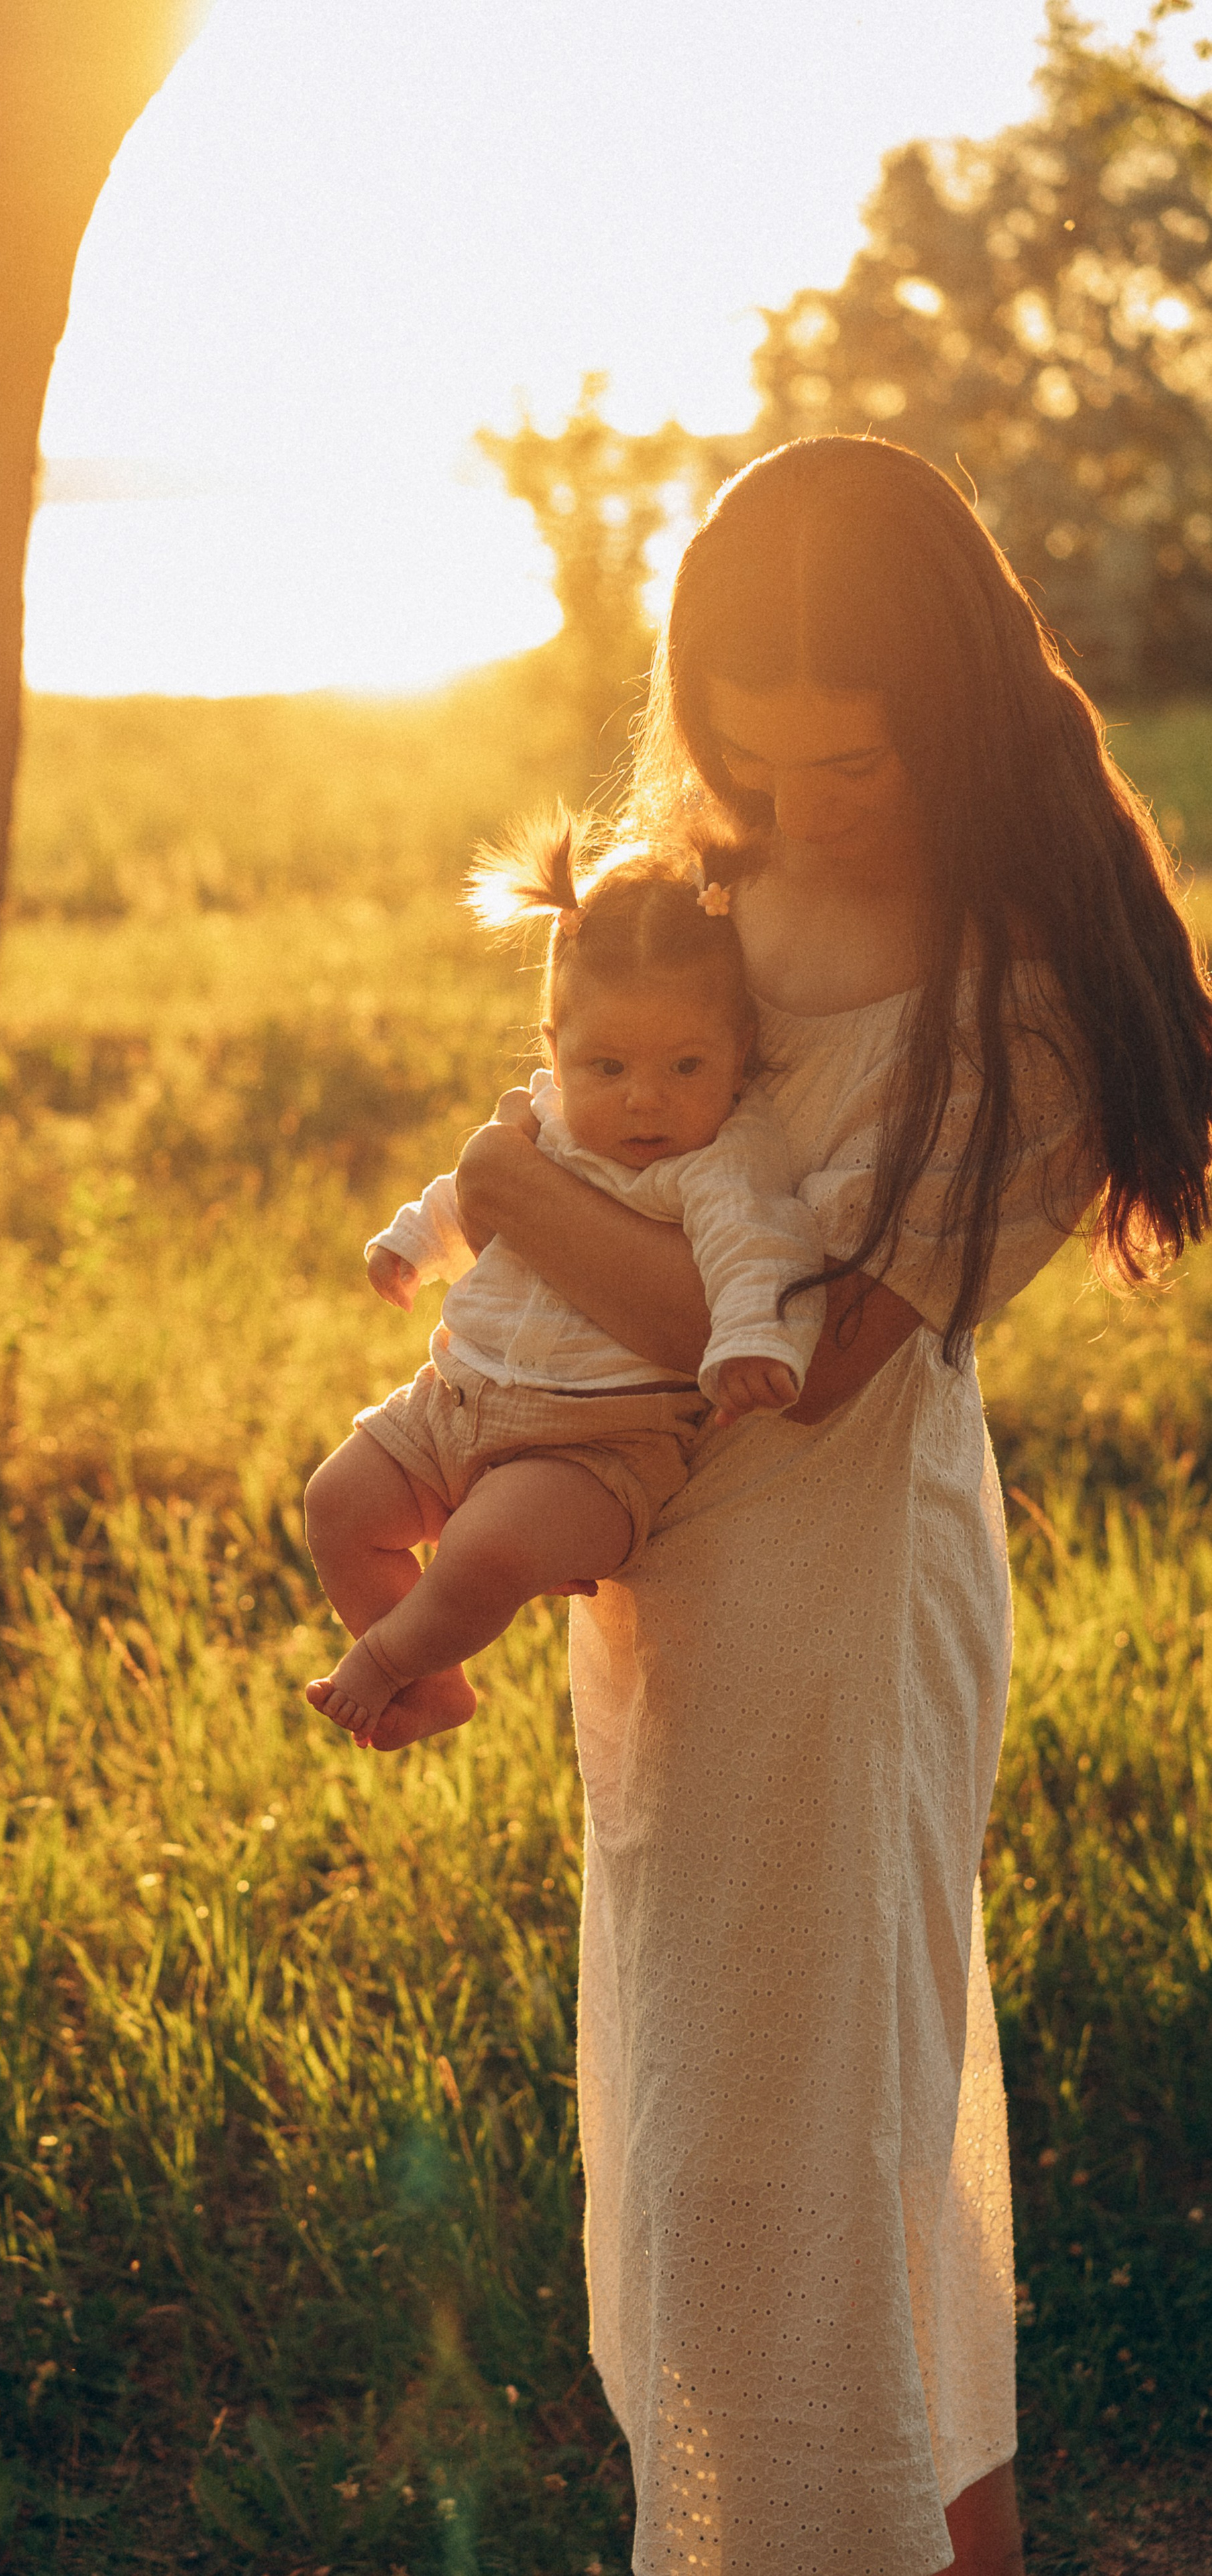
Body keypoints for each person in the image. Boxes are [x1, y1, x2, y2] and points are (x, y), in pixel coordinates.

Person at [447, 437, 1212, 2576]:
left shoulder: (1025, 999)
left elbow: (788, 1363)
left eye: (849, 757)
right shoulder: (715, 901)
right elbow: (613, 1162)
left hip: (846, 1598)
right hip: (666, 1585)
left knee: (821, 2126)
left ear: (951, 702)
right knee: (743, 2131)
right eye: (749, 754)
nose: (794, 803)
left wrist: (507, 1188)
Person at [304, 828, 822, 1749]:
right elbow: (468, 1190)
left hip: (600, 1445)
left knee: (488, 1549)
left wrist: (751, 1341)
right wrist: (413, 1245)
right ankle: (439, 1684)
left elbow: (755, 1250)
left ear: (739, 1052)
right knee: (338, 1502)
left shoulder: (722, 1159)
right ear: (557, 1046)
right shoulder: (544, 1117)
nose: (644, 1101)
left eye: (685, 1067)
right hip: (458, 1396)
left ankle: (389, 1663)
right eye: (609, 1069)